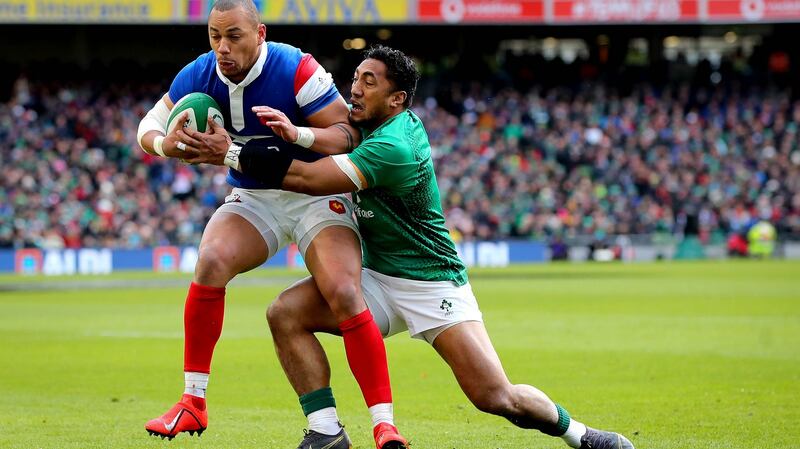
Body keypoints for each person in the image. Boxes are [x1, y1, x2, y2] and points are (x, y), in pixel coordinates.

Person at [178, 45, 635, 449]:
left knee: (496, 397)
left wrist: (229, 152)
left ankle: (580, 434)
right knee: (285, 314)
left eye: (369, 82)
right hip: (377, 278)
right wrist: (298, 133)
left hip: (430, 283)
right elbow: (330, 137)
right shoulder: (370, 125)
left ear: (396, 99)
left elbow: (308, 178)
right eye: (356, 78)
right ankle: (325, 430)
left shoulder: (394, 146)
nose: (355, 89)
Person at [135, 2, 408, 448]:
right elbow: (147, 126)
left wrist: (298, 135)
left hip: (315, 195)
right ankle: (193, 401)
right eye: (215, 36)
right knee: (211, 260)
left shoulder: (296, 68)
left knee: (342, 291)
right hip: (255, 198)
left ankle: (384, 424)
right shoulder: (199, 73)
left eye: (234, 36)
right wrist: (169, 145)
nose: (222, 47)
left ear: (260, 34)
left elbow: (347, 134)